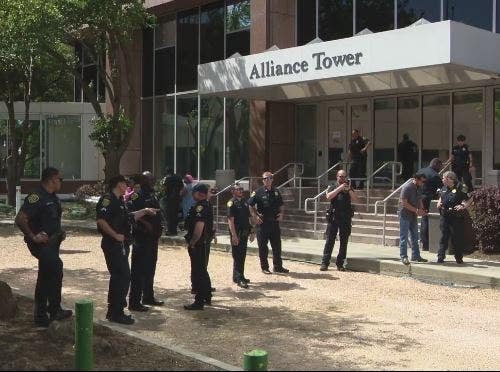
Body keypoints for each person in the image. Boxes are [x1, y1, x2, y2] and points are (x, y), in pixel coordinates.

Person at [96, 175, 159, 324]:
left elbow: (128, 217)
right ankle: (116, 312)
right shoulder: (108, 199)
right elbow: (101, 220)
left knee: (120, 277)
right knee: (122, 276)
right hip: (113, 245)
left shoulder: (119, 201)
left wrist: (144, 211)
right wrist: (115, 235)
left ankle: (114, 311)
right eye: (126, 183)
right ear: (118, 184)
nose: (128, 186)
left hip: (121, 245)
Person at [15, 167, 72, 327]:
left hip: (53, 243)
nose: (61, 182)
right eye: (60, 179)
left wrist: (60, 232)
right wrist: (33, 236)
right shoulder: (37, 196)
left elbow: (51, 221)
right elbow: (20, 219)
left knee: (46, 275)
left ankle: (45, 314)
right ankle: (52, 311)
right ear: (52, 179)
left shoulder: (53, 197)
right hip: (41, 245)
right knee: (55, 268)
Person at [127, 171, 164, 312]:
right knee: (138, 271)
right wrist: (144, 223)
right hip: (141, 238)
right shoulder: (138, 194)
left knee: (150, 268)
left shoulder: (152, 193)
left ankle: (148, 296)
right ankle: (134, 301)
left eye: (153, 178)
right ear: (143, 180)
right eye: (150, 179)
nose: (153, 180)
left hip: (152, 238)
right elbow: (130, 211)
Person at [248, 171, 289, 274]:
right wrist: (255, 216)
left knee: (277, 247)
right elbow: (250, 205)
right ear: (262, 180)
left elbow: (281, 205)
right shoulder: (257, 192)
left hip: (274, 223)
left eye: (269, 178)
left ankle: (278, 267)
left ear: (272, 179)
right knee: (263, 247)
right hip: (263, 224)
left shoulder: (276, 191)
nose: (267, 180)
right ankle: (264, 267)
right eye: (265, 178)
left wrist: (282, 213)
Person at [320, 170, 359, 272]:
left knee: (344, 241)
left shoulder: (348, 187)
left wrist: (349, 189)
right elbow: (328, 196)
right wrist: (339, 188)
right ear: (337, 177)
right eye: (340, 176)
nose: (342, 179)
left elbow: (356, 200)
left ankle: (340, 263)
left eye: (344, 177)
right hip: (334, 217)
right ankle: (325, 263)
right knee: (330, 240)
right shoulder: (333, 186)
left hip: (345, 217)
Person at [184, 183, 213, 310]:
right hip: (204, 242)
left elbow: (199, 227)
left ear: (199, 193)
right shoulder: (207, 205)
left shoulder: (200, 207)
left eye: (194, 192)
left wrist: (193, 242)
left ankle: (199, 301)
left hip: (199, 244)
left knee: (198, 272)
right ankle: (207, 295)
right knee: (202, 270)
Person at [437, 171, 471, 264]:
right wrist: (439, 202)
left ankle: (459, 258)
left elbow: (469, 199)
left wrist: (463, 206)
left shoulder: (461, 187)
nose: (442, 180)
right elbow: (441, 196)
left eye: (443, 178)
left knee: (456, 238)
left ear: (449, 179)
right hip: (445, 216)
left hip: (456, 217)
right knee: (443, 237)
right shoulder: (444, 187)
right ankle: (440, 257)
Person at [227, 183, 254, 288]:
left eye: (242, 189)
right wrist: (234, 235)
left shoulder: (244, 202)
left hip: (245, 233)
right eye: (238, 189)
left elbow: (248, 218)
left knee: (242, 255)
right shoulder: (231, 203)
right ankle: (239, 278)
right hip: (237, 233)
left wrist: (252, 231)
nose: (241, 191)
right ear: (233, 191)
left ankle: (239, 276)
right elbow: (230, 220)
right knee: (237, 256)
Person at [398, 173, 428, 265]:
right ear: (416, 179)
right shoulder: (407, 187)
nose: (423, 183)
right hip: (404, 214)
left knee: (415, 236)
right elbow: (404, 203)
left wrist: (422, 209)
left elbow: (419, 199)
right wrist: (417, 210)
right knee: (404, 236)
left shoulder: (418, 188)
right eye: (422, 181)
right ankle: (404, 257)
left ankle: (416, 256)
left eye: (424, 181)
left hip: (413, 214)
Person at [418, 158, 443, 251]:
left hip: (419, 197)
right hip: (428, 199)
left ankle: (422, 242)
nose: (441, 168)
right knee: (426, 219)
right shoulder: (435, 175)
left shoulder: (421, 171)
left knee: (424, 219)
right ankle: (425, 243)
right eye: (440, 166)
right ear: (436, 164)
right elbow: (442, 187)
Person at [161, 167, 184, 236]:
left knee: (168, 215)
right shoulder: (179, 178)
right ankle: (174, 231)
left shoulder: (167, 178)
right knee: (175, 215)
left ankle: (169, 231)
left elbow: (164, 188)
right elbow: (182, 187)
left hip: (169, 199)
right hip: (177, 199)